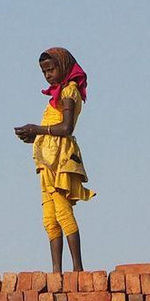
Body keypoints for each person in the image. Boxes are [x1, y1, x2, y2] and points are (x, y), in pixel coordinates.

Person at [15, 46, 94, 273]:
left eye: (51, 69)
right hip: (47, 160)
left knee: (62, 212)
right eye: (44, 72)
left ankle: (78, 270)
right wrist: (33, 135)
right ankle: (56, 273)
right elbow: (54, 128)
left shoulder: (70, 91)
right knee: (49, 218)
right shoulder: (58, 94)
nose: (48, 75)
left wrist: (37, 129)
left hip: (61, 159)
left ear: (64, 66)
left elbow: (66, 128)